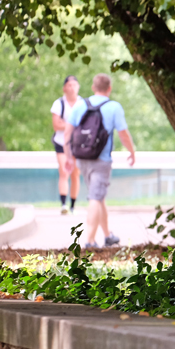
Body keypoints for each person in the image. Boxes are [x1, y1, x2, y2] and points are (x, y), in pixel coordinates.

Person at [64, 73, 136, 249]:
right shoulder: (114, 107)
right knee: (96, 197)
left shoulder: (80, 105)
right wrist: (132, 151)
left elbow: (67, 133)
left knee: (99, 195)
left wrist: (68, 157)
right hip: (101, 160)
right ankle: (89, 241)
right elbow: (123, 134)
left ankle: (107, 235)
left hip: (82, 158)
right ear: (109, 88)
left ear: (93, 88)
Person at [51, 76, 82, 214]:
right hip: (61, 142)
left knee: (76, 174)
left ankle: (73, 205)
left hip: (77, 143)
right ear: (64, 88)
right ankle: (63, 205)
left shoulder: (83, 104)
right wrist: (72, 125)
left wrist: (67, 125)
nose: (72, 88)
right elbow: (56, 125)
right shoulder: (59, 104)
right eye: (69, 85)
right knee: (64, 171)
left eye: (75, 85)